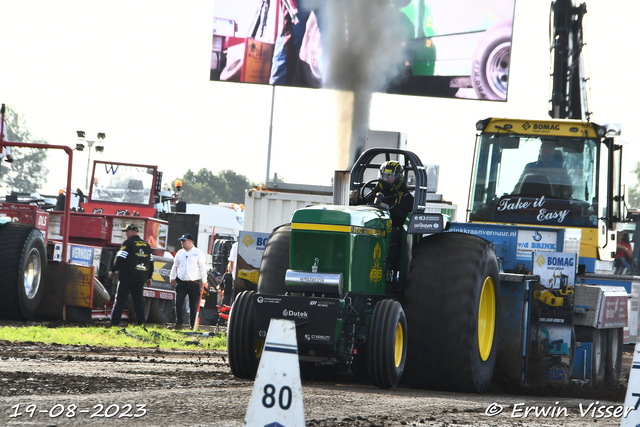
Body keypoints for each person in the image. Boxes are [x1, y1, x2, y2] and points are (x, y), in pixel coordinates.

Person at [108, 224, 154, 327]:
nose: (126, 233)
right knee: (139, 301)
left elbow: (121, 259)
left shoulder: (128, 243)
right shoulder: (146, 245)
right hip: (140, 278)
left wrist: (113, 270)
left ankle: (114, 323)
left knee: (120, 299)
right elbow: (150, 262)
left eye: (127, 231)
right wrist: (149, 277)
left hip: (127, 277)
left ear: (132, 232)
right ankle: (142, 324)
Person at [351, 160, 414, 228]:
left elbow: (404, 218)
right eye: (385, 176)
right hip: (373, 227)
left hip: (393, 230)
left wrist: (387, 208)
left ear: (398, 178)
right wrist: (355, 200)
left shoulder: (406, 197)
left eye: (391, 176)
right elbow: (364, 204)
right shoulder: (377, 192)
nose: (387, 179)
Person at [169, 233, 207, 329]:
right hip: (181, 282)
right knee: (178, 303)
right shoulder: (180, 253)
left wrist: (204, 281)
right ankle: (179, 323)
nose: (182, 243)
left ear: (190, 241)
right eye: (181, 241)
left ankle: (193, 325)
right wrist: (172, 277)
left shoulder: (198, 253)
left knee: (193, 305)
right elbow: (175, 266)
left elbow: (203, 268)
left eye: (184, 241)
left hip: (193, 283)